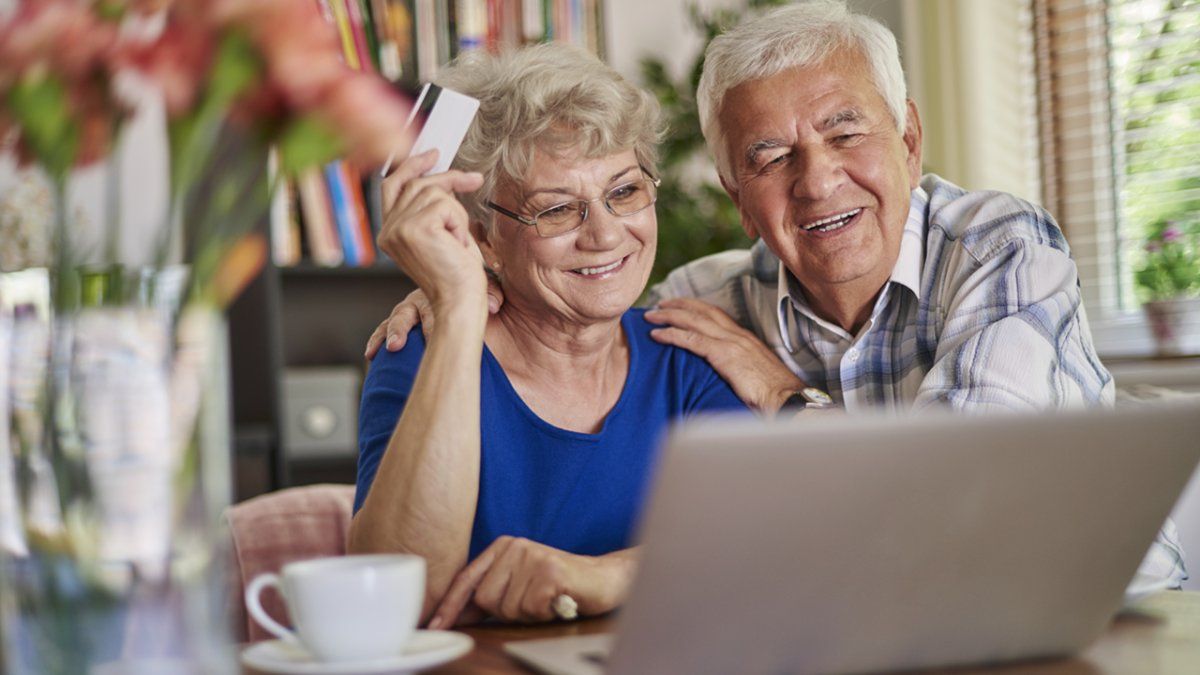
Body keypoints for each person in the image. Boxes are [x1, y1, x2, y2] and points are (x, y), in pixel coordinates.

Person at [365, 1, 1186, 586]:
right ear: (735, 195)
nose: (819, 181)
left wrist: (783, 395)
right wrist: (458, 296)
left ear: (909, 139)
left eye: (845, 132)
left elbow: (915, 523)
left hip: (1105, 620)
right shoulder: (702, 306)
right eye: (770, 156)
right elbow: (390, 587)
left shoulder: (999, 248)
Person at [347, 43, 749, 631]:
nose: (606, 235)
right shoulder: (419, 356)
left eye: (625, 191)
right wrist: (457, 305)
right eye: (557, 209)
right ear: (484, 239)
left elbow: (762, 551)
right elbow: (392, 602)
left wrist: (610, 575)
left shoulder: (687, 356)